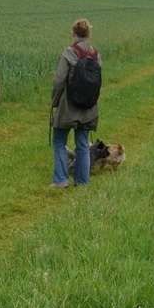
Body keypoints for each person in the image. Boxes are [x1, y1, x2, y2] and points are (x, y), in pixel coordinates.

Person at [51, 18, 101, 188]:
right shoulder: (96, 54)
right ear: (89, 34)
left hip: (68, 105)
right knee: (82, 144)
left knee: (59, 141)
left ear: (73, 33)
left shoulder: (69, 52)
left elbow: (59, 80)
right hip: (89, 106)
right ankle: (82, 181)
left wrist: (54, 101)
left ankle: (60, 180)